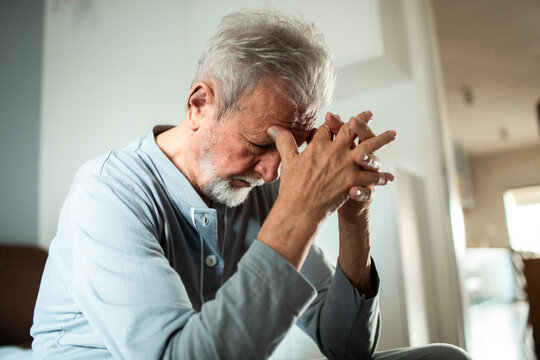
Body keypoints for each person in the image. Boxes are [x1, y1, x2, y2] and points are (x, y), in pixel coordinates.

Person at [30, 9, 470, 360]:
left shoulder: (260, 193)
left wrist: (354, 217)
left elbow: (348, 348)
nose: (274, 173)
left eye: (293, 148)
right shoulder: (107, 193)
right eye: (261, 143)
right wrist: (301, 210)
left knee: (445, 358)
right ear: (199, 105)